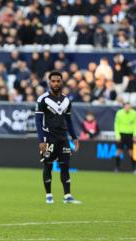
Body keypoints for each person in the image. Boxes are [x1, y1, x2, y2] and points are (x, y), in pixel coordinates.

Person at [35, 70, 81, 204]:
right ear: (49, 83)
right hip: (48, 138)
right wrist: (41, 140)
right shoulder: (42, 99)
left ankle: (67, 196)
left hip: (63, 139)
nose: (55, 83)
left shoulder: (67, 100)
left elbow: (69, 120)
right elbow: (38, 121)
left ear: (62, 82)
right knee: (48, 166)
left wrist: (74, 137)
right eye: (53, 81)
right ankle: (48, 195)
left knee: (65, 166)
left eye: (58, 81)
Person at [114, 103, 136, 173]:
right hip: (121, 134)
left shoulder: (134, 113)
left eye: (129, 107)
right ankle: (117, 168)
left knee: (131, 152)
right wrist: (117, 135)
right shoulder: (119, 113)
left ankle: (134, 169)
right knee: (118, 152)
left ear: (130, 107)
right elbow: (116, 124)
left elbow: (135, 125)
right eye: (126, 107)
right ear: (124, 107)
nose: (127, 108)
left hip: (130, 134)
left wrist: (135, 135)